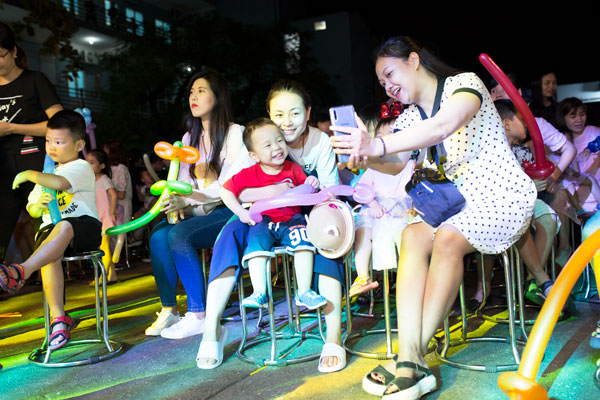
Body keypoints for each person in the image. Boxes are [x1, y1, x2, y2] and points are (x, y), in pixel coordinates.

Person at [331, 36, 536, 399]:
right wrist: (365, 155)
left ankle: (410, 360)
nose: (387, 86)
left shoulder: (464, 84)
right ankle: (412, 360)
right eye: (381, 82)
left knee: (447, 238)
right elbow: (395, 164)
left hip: (502, 198)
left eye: (390, 74)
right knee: (411, 234)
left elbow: (443, 126)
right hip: (459, 206)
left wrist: (376, 144)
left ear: (414, 60)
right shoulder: (410, 116)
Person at [196, 79, 346, 373]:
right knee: (229, 234)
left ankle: (333, 335)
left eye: (295, 113)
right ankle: (211, 328)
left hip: (308, 210)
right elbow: (235, 190)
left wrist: (302, 196)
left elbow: (330, 191)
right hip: (261, 214)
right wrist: (272, 192)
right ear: (269, 115)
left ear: (308, 112)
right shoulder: (259, 139)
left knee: (328, 235)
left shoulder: (320, 142)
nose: (286, 122)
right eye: (278, 114)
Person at [144, 70, 245, 340]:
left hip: (229, 209)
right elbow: (182, 180)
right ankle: (170, 310)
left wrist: (186, 200)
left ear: (218, 96)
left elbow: (228, 185)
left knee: (179, 234)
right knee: (158, 236)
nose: (193, 97)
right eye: (191, 92)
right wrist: (176, 202)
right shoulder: (190, 138)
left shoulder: (236, 133)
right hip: (197, 210)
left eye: (201, 91)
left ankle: (198, 314)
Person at [0, 110, 101, 350]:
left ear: (79, 145)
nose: (51, 147)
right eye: (48, 141)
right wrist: (39, 205)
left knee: (64, 226)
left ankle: (21, 271)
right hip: (53, 232)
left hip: (84, 228)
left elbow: (60, 183)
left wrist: (29, 174)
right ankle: (59, 320)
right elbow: (33, 210)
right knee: (48, 247)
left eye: (59, 142)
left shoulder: (80, 166)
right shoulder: (47, 173)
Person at [220, 117, 325, 308]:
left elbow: (307, 192)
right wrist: (241, 212)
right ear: (254, 155)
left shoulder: (293, 169)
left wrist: (312, 184)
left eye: (279, 141)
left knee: (304, 242)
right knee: (255, 247)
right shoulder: (249, 173)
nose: (276, 147)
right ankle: (259, 292)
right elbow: (226, 191)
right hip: (263, 221)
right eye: (268, 145)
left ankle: (304, 291)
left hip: (292, 219)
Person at [0, 21, 63, 263]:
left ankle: (51, 283)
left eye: (1, 55)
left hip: (36, 164)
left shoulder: (35, 80)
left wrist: (11, 128)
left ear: (14, 51)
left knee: (44, 225)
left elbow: (59, 123)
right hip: (3, 169)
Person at [351, 117, 415, 297]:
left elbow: (417, 190)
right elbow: (360, 190)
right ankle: (362, 277)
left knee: (406, 239)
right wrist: (372, 203)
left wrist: (414, 208)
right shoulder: (373, 168)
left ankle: (409, 279)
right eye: (381, 138)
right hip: (376, 209)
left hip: (401, 212)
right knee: (363, 233)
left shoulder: (410, 166)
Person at [86, 149, 119, 284]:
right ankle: (112, 275)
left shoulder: (104, 179)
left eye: (92, 162)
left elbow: (114, 195)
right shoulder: (89, 181)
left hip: (105, 218)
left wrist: (112, 212)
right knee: (104, 248)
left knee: (104, 248)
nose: (88, 165)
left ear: (102, 166)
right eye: (87, 162)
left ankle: (101, 277)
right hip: (97, 218)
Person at [103, 139, 132, 266]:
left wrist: (106, 189)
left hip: (120, 208)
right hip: (112, 208)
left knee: (117, 235)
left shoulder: (120, 169)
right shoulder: (111, 169)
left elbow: (121, 194)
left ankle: (114, 262)